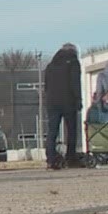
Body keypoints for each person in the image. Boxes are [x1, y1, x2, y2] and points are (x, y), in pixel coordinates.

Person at [42, 42, 83, 170]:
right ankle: (71, 158)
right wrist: (78, 99)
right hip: (68, 101)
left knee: (52, 131)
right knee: (71, 130)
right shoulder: (73, 63)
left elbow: (46, 85)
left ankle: (51, 159)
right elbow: (75, 82)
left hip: (52, 102)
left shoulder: (50, 66)